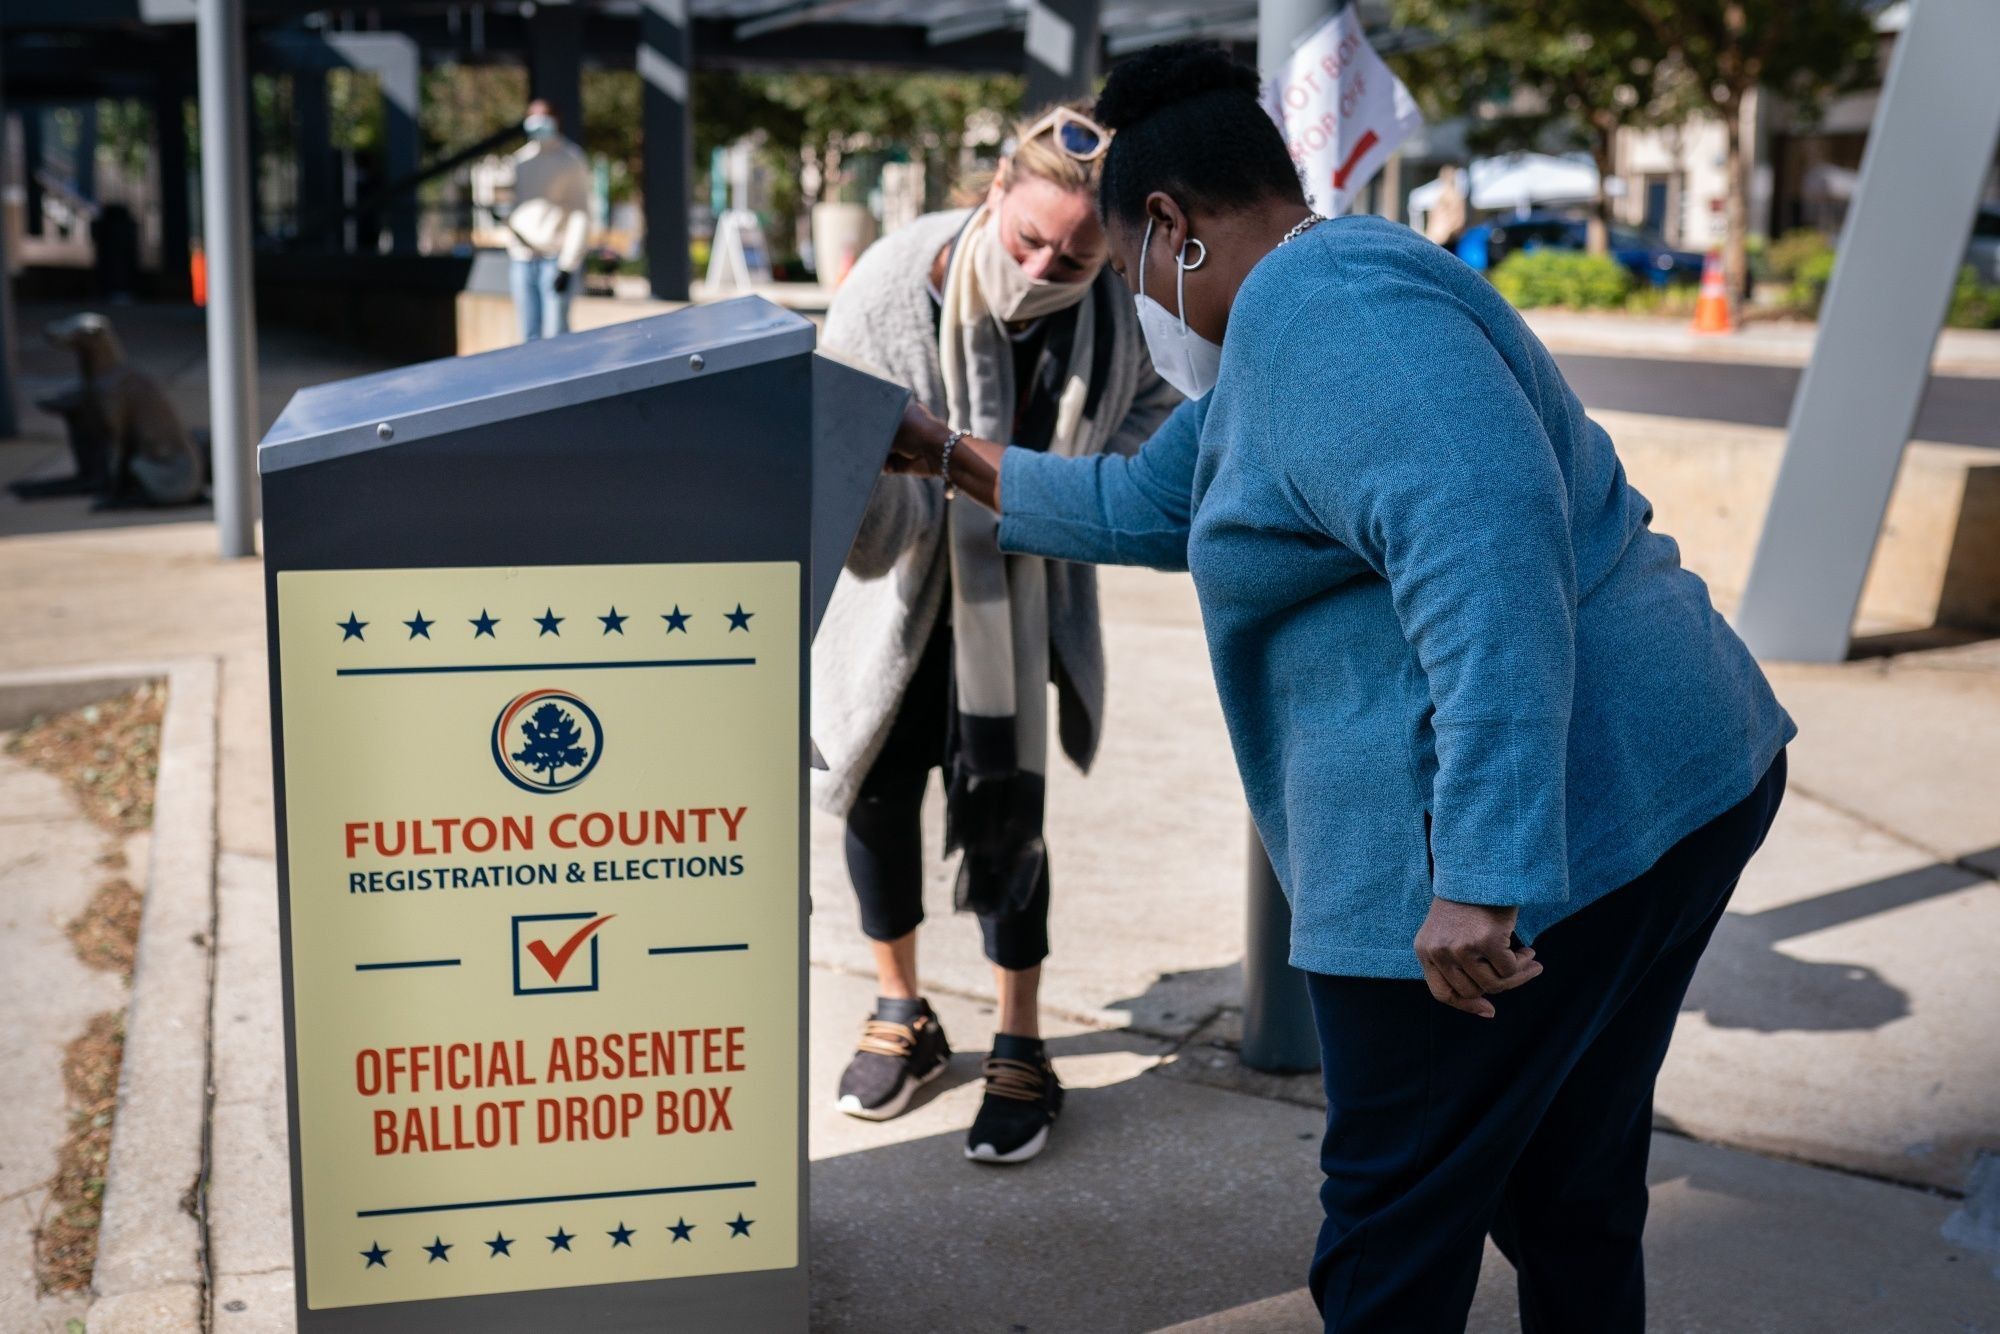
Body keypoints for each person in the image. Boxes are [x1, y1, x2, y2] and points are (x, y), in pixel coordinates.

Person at [887, 43, 1794, 1331]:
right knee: (1561, 1180)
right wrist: (943, 453)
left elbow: (1487, 552)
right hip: (1661, 777)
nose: (1136, 302)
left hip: (1540, 836)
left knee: (1393, 1222)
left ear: (1168, 225)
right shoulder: (1294, 316)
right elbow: (1157, 499)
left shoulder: (1336, 321)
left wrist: (1480, 873)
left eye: (1129, 267)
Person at [814, 101, 1177, 1164]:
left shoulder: (1121, 310)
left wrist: (1033, 491)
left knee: (1006, 805)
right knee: (876, 798)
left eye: (1076, 250)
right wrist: (915, 478)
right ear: (990, 198)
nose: (1046, 263)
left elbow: (1153, 435)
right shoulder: (891, 283)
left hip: (1019, 603)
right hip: (892, 595)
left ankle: (1020, 1034)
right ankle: (902, 1012)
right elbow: (839, 472)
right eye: (1027, 238)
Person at [504, 100, 591, 342]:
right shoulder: (520, 160)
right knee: (528, 335)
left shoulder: (571, 159)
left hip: (555, 259)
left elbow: (580, 213)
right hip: (521, 258)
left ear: (556, 119)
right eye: (533, 116)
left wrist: (568, 264)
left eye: (543, 116)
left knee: (556, 335)